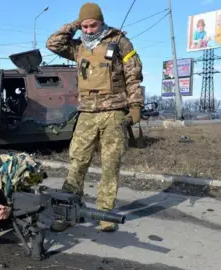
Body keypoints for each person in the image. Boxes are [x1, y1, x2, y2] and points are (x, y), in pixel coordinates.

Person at [46, 2, 144, 232]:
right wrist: (73, 25)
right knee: (77, 163)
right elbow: (52, 43)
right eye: (85, 26)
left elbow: (133, 74)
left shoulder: (119, 41)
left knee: (110, 164)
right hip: (87, 112)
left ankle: (105, 214)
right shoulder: (78, 47)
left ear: (102, 22)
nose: (89, 30)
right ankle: (67, 211)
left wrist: (136, 104)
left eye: (93, 25)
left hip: (114, 111)